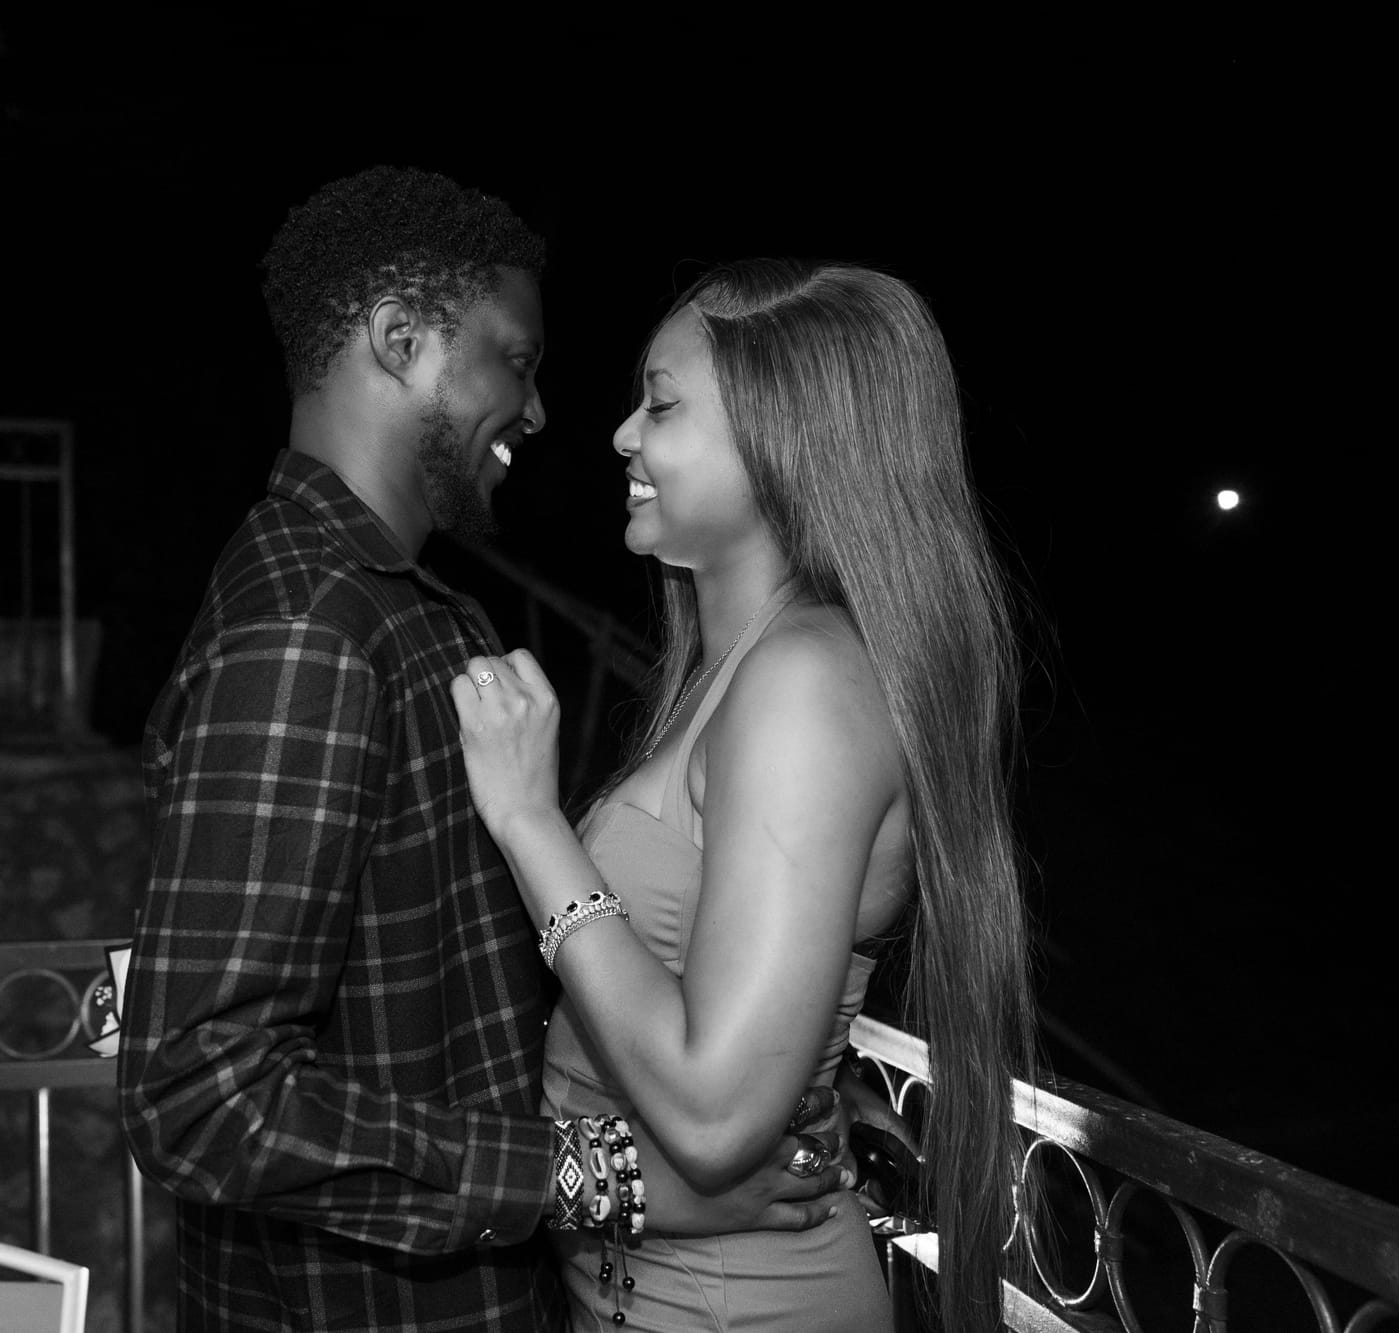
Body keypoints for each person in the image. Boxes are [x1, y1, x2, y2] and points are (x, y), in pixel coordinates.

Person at [116, 170, 893, 1333]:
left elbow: (454, 981)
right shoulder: (307, 630)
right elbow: (196, 1097)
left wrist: (770, 1050)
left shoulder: (419, 618)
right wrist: (599, 1176)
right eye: (516, 362)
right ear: (401, 341)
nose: (541, 412)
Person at [452, 259, 1037, 1332]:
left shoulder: (802, 682)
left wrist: (530, 820)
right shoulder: (739, 673)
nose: (622, 435)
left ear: (784, 443)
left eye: (662, 406)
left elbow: (716, 1117)